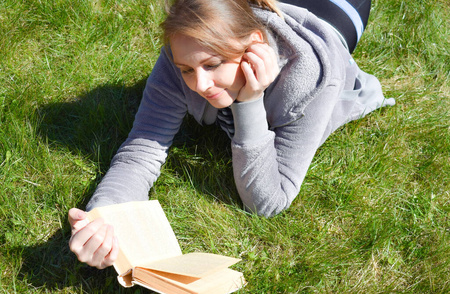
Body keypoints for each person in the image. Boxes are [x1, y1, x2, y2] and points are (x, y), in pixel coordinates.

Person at [69, 0, 394, 269]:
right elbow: (141, 152)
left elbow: (268, 201)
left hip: (335, 13)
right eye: (187, 70)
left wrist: (249, 103)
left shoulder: (312, 79)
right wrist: (106, 216)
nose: (199, 84)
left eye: (212, 65)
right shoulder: (181, 50)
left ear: (254, 47)